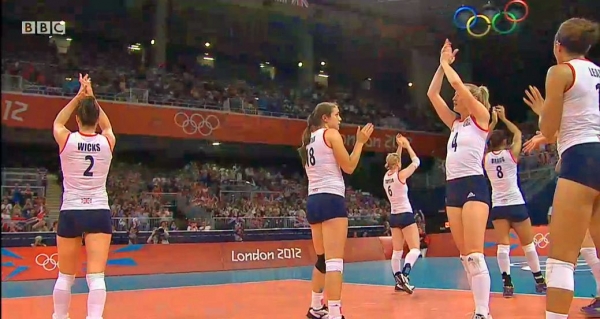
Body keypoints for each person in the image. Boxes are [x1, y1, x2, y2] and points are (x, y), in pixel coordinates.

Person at [522, 18, 600, 319]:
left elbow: (550, 130)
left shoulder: (559, 72)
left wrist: (542, 113)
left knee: (561, 261)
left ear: (558, 45)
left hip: (581, 160)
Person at [427, 39, 492, 319]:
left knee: (476, 254)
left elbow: (457, 87)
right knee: (466, 256)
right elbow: (433, 94)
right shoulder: (455, 123)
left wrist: (447, 64)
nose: (454, 100)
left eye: (458, 97)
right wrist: (440, 67)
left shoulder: (481, 117)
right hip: (453, 187)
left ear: (470, 98)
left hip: (473, 185)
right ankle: (477, 309)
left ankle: (483, 312)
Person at [299, 102, 373, 319]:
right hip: (331, 198)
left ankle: (315, 307)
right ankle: (334, 313)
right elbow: (349, 166)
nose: (340, 119)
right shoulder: (331, 135)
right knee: (334, 262)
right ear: (325, 118)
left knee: (322, 259)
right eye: (337, 115)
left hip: (313, 200)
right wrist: (360, 143)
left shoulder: (306, 141)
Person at [52, 74, 116, 319]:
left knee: (65, 276)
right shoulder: (106, 141)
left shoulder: (66, 138)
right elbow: (107, 125)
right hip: (98, 210)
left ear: (77, 118)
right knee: (96, 276)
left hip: (71, 210)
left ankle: (59, 316)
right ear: (96, 119)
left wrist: (78, 97)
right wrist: (91, 97)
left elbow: (58, 121)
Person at [484, 105, 547, 298]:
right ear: (504, 142)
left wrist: (493, 122)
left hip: (499, 206)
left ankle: (507, 284)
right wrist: (504, 118)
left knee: (503, 245)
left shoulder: (485, 158)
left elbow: (482, 140)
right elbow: (518, 133)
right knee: (528, 244)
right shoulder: (510, 155)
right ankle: (539, 280)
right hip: (516, 202)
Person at [383, 134, 421, 294]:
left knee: (397, 251)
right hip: (405, 214)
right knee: (415, 249)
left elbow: (395, 161)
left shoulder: (386, 177)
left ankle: (398, 280)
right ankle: (405, 274)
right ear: (398, 163)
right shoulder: (401, 175)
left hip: (393, 216)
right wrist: (407, 146)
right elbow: (416, 162)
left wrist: (398, 148)